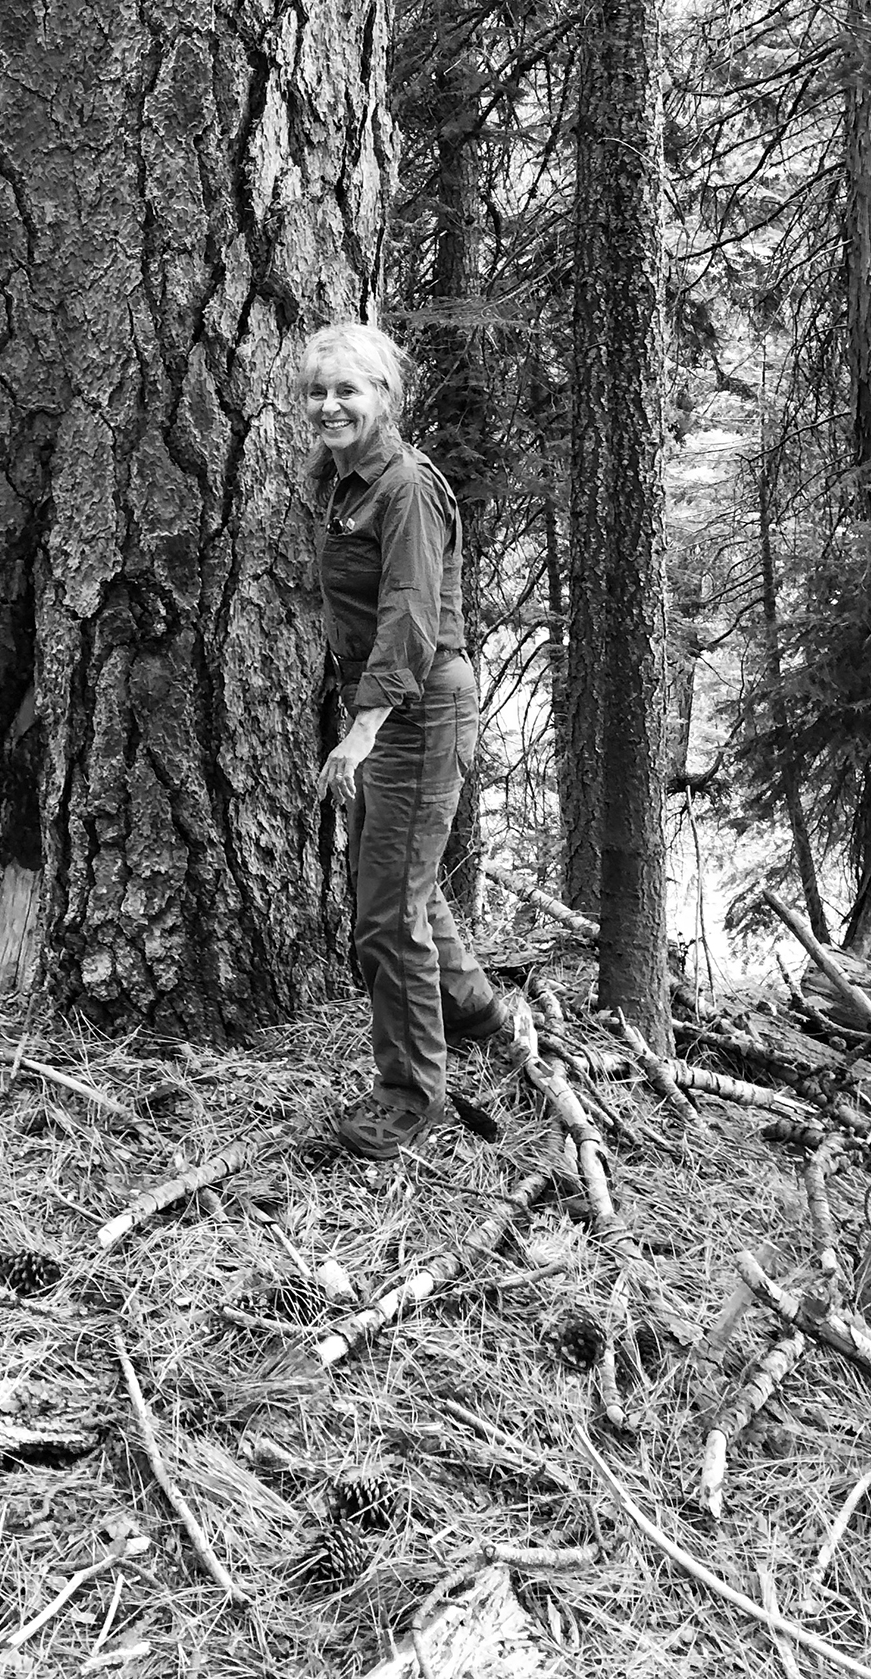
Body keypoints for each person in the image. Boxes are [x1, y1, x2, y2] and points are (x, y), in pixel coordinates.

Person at [303, 321, 507, 1160]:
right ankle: (476, 1012)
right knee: (404, 883)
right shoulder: (334, 480)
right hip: (386, 706)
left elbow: (411, 621)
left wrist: (361, 731)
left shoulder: (406, 489)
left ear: (386, 396)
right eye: (316, 391)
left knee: (385, 914)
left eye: (348, 389)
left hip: (418, 711)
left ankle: (410, 1094)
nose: (329, 405)